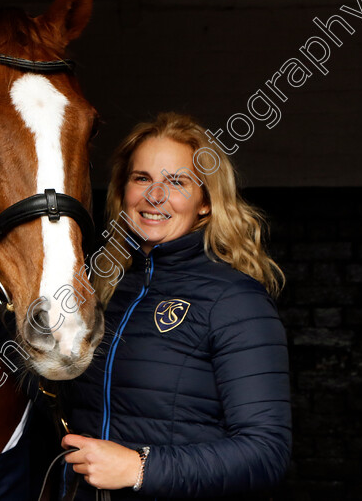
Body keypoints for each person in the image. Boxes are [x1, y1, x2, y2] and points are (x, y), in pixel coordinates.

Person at [56, 111, 292, 500]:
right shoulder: (102, 288)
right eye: (142, 178)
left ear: (205, 202)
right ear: (122, 192)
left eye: (177, 182)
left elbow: (267, 453)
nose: (155, 195)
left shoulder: (235, 300)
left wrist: (139, 467)